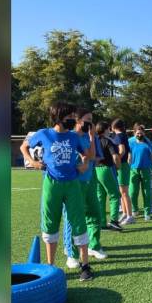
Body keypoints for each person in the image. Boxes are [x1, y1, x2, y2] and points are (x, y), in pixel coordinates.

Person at [20, 102, 93, 281]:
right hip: (51, 183)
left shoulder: (74, 136)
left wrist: (83, 164)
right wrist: (33, 162)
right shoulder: (44, 134)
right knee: (50, 221)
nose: (72, 121)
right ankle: (50, 266)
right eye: (69, 118)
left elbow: (86, 155)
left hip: (72, 183)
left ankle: (85, 266)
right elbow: (24, 147)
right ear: (59, 118)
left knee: (78, 220)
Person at [62, 108, 107, 268]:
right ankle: (71, 253)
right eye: (87, 120)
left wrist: (92, 137)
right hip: (74, 182)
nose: (90, 123)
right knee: (72, 217)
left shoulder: (91, 137)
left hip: (90, 179)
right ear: (78, 121)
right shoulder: (70, 137)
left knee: (94, 213)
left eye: (92, 120)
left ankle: (93, 246)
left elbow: (94, 157)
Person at [94, 121, 123, 231]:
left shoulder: (94, 141)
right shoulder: (108, 141)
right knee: (115, 195)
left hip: (96, 170)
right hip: (106, 169)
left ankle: (101, 223)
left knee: (100, 197)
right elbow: (115, 156)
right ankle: (114, 221)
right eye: (108, 129)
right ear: (105, 129)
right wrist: (118, 167)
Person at [127, 123, 152, 221]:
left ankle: (147, 213)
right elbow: (129, 156)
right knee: (133, 192)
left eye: (141, 133)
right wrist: (128, 166)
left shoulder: (148, 142)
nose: (139, 135)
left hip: (146, 170)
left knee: (147, 192)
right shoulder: (130, 142)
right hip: (133, 170)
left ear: (144, 133)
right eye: (138, 133)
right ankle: (135, 210)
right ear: (134, 133)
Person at [110, 119, 133, 225]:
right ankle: (124, 213)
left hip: (122, 166)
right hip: (123, 165)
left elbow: (122, 150)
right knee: (121, 192)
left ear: (113, 126)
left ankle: (130, 216)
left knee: (124, 192)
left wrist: (116, 159)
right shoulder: (122, 135)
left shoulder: (119, 136)